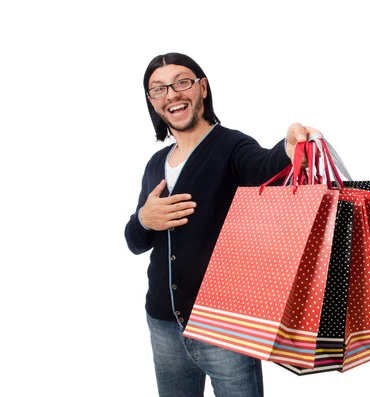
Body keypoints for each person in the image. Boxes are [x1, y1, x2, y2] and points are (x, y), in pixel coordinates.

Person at [124, 52, 321, 397]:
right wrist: (144, 218)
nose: (171, 94)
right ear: (152, 101)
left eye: (181, 82)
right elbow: (135, 241)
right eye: (158, 89)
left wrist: (288, 149)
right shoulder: (156, 163)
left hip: (223, 326)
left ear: (202, 88)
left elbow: (264, 167)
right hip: (162, 324)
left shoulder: (231, 146)